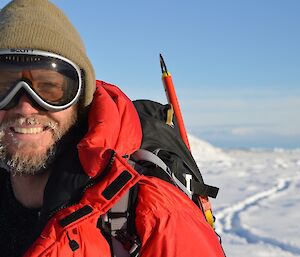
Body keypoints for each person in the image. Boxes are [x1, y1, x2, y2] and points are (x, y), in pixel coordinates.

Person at [0, 0, 225, 256]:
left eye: (50, 88)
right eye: (2, 87)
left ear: (80, 99)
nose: (26, 107)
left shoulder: (157, 221)